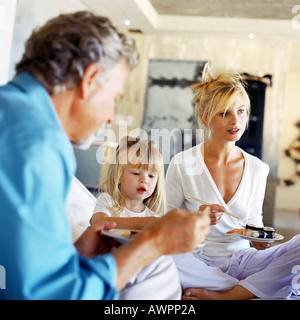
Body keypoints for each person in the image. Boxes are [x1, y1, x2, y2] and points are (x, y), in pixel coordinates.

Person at [0, 11, 210, 300]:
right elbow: (50, 295)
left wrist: (75, 254)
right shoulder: (37, 143)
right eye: (114, 98)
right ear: (90, 79)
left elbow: (23, 269)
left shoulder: (10, 113)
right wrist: (152, 244)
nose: (111, 117)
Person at [165, 66, 300, 300]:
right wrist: (196, 219)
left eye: (241, 111)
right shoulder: (182, 163)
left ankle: (228, 293)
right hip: (195, 259)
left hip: (242, 259)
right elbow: (165, 224)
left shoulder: (258, 168)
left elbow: (253, 223)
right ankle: (250, 289)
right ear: (206, 117)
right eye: (224, 113)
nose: (236, 120)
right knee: (158, 254)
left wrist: (259, 241)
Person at [90, 136, 165, 229]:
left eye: (151, 176)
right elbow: (99, 222)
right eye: (136, 173)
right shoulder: (108, 200)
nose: (144, 180)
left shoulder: (153, 217)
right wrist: (141, 223)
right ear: (119, 176)